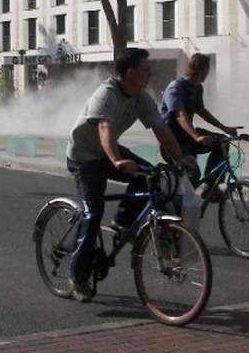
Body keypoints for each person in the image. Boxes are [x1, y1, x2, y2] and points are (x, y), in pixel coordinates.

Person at [65, 47, 197, 303]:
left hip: (110, 151)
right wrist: (117, 161)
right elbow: (104, 128)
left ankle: (123, 222)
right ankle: (77, 277)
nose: (150, 72)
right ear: (130, 72)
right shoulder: (107, 94)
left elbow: (161, 129)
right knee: (92, 214)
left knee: (151, 176)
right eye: (146, 69)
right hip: (84, 156)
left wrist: (180, 158)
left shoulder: (140, 97)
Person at [159, 53, 241, 192]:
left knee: (222, 142)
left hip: (188, 136)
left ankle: (211, 184)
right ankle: (178, 203)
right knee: (193, 174)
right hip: (173, 140)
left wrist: (224, 128)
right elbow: (180, 115)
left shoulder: (197, 88)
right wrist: (197, 136)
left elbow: (201, 110)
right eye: (207, 71)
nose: (207, 74)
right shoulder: (176, 87)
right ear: (203, 70)